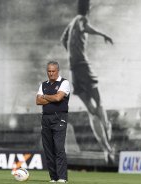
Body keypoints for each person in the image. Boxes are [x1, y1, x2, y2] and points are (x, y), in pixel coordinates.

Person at [60, 0, 114, 163]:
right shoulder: (82, 19)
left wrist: (73, 53)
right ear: (88, 9)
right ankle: (106, 124)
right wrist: (103, 35)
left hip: (73, 69)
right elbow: (85, 28)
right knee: (99, 102)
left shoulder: (71, 24)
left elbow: (64, 40)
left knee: (91, 110)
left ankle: (106, 150)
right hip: (83, 66)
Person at [36, 61, 70, 183]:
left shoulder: (64, 83)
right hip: (45, 118)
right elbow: (37, 101)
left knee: (59, 148)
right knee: (48, 149)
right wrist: (51, 97)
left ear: (57, 71)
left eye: (53, 71)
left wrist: (45, 96)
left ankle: (62, 177)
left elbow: (58, 98)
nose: (51, 74)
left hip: (59, 118)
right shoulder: (43, 84)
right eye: (49, 71)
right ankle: (53, 177)